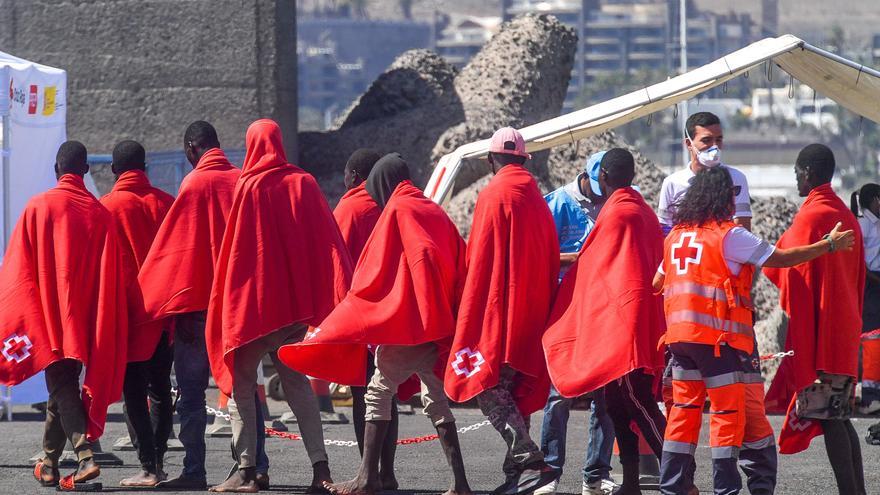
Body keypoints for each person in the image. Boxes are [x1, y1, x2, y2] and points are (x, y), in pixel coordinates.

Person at [654, 165, 854, 495]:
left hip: (679, 342)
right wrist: (827, 246)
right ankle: (726, 489)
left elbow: (658, 281)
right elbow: (782, 258)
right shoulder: (730, 235)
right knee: (727, 415)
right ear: (721, 197)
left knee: (683, 416)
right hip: (720, 343)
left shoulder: (676, 236)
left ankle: (672, 486)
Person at [279, 153, 472, 495]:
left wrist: (367, 312)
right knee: (436, 400)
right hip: (439, 322)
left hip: (413, 323)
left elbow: (380, 266)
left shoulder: (397, 208)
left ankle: (367, 478)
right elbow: (454, 255)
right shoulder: (431, 208)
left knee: (377, 392)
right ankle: (459, 483)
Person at [206, 119, 352, 493]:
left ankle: (248, 470)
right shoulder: (303, 182)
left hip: (257, 311)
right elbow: (326, 241)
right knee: (297, 385)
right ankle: (321, 469)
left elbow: (237, 255)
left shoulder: (249, 187)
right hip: (294, 312)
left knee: (242, 384)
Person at [137, 121, 270, 490]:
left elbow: (177, 250)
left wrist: (154, 300)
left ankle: (194, 470)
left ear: (193, 147)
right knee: (243, 390)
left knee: (192, 395)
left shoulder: (194, 184)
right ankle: (256, 464)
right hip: (237, 307)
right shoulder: (243, 181)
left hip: (198, 309)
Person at [0, 141, 127, 489]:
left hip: (46, 318)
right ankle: (49, 463)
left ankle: (85, 455)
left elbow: (17, 271)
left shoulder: (38, 207)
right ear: (85, 170)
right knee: (62, 386)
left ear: (57, 169)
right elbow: (109, 276)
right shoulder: (101, 214)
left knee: (60, 383)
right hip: (84, 318)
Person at [544, 148, 666, 495]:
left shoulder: (617, 214)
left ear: (603, 178)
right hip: (637, 320)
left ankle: (679, 476)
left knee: (637, 401)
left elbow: (590, 265)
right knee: (615, 405)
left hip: (624, 329)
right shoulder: (639, 209)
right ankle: (630, 483)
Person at [444, 127, 559, 495]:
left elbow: (480, 259)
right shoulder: (534, 195)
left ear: (492, 160)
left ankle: (530, 460)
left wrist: (468, 306)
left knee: (487, 385)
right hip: (533, 309)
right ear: (522, 158)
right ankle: (517, 478)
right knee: (514, 389)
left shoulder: (494, 193)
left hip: (500, 310)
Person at [764, 144, 865, 495]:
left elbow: (781, 262)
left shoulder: (811, 216)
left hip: (824, 335)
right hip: (844, 331)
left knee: (830, 419)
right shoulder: (844, 214)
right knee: (840, 417)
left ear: (807, 172)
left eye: (796, 173)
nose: (796, 179)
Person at [538, 150, 618, 495]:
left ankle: (597, 474)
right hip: (565, 310)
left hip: (603, 310)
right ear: (585, 176)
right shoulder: (555, 204)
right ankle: (549, 470)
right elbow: (539, 254)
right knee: (558, 394)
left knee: (606, 394)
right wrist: (581, 258)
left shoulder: (614, 202)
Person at [100, 140, 175, 486]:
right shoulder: (167, 204)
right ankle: (158, 463)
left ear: (114, 170)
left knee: (133, 392)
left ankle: (147, 467)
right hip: (166, 315)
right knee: (160, 389)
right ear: (144, 168)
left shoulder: (107, 208)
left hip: (128, 316)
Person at [333, 148, 401, 488]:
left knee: (364, 395)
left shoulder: (349, 207)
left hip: (361, 317)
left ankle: (367, 473)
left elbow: (337, 266)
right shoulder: (393, 203)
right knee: (387, 393)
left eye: (346, 175)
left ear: (356, 176)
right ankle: (386, 473)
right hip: (394, 315)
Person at [658, 112, 752, 234]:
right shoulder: (672, 183)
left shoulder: (735, 178)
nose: (714, 146)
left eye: (718, 140)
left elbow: (742, 226)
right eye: (706, 140)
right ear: (688, 144)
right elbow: (664, 229)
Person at [851, 183, 880, 414]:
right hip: (871, 283)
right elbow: (857, 260)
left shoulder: (875, 224)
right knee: (871, 337)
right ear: (875, 200)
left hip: (875, 281)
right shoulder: (863, 225)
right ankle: (869, 396)